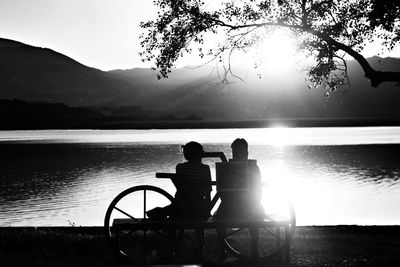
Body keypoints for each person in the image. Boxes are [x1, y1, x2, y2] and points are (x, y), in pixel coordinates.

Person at [147, 141, 212, 259]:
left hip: (183, 209)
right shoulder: (206, 169)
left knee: (172, 218)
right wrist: (208, 209)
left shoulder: (180, 167)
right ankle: (200, 252)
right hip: (200, 210)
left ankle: (171, 249)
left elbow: (182, 190)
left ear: (186, 155)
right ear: (200, 155)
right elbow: (208, 191)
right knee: (200, 227)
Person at [215, 138, 265, 260]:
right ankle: (254, 251)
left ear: (246, 152)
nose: (236, 155)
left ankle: (223, 251)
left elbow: (221, 193)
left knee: (219, 216)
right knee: (256, 213)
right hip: (248, 207)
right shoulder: (254, 168)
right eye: (235, 152)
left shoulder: (227, 169)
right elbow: (258, 192)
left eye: (237, 152)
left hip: (234, 208)